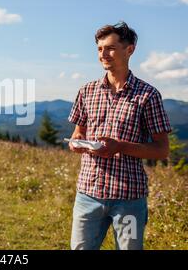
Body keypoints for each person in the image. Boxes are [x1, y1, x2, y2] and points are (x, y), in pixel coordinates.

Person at [67, 21, 172, 250]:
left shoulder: (148, 95)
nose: (103, 54)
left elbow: (162, 150)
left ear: (129, 49)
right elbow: (78, 133)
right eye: (99, 49)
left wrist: (119, 146)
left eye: (111, 48)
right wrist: (76, 143)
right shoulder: (86, 91)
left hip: (129, 199)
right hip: (88, 194)